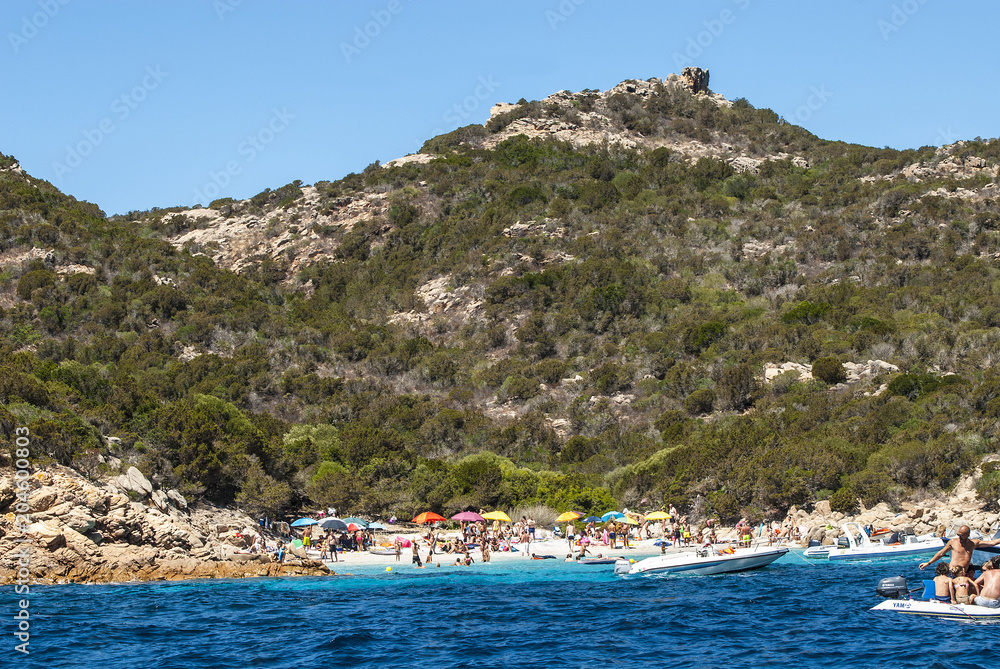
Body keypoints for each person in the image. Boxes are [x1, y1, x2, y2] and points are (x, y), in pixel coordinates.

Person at [919, 525, 1000, 573]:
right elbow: (941, 553)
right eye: (958, 534)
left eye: (962, 535)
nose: (959, 537)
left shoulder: (973, 544)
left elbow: (992, 543)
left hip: (964, 573)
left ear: (967, 535)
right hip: (952, 572)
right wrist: (928, 563)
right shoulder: (953, 542)